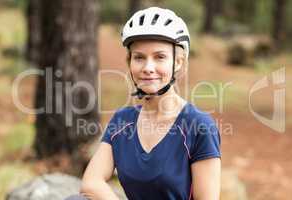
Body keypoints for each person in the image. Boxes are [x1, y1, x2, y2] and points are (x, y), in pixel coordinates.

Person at [66, 6, 221, 200]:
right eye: (139, 57)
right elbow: (91, 183)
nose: (148, 68)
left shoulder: (199, 125)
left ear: (178, 62)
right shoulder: (122, 121)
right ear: (130, 62)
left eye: (160, 57)